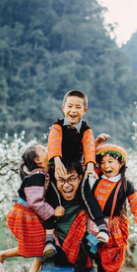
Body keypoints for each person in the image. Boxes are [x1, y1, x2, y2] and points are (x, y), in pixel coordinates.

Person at [0, 144, 64, 272]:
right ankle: (3, 256)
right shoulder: (37, 176)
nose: (48, 150)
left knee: (45, 243)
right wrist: (52, 212)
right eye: (44, 150)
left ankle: (28, 271)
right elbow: (35, 202)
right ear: (37, 159)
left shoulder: (43, 174)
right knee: (45, 243)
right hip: (23, 214)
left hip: (25, 213)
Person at [47, 89, 109, 243]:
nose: (73, 110)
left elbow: (88, 148)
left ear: (84, 110)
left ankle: (102, 227)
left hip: (76, 169)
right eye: (70, 106)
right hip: (58, 167)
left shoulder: (86, 129)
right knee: (51, 195)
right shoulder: (58, 125)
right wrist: (57, 161)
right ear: (63, 108)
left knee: (86, 193)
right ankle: (49, 236)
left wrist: (89, 166)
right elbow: (54, 142)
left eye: (78, 107)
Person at [92, 143, 137, 272]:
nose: (106, 166)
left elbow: (136, 205)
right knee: (88, 252)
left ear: (121, 164)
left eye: (110, 162)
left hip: (112, 227)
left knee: (105, 254)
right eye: (102, 162)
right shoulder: (95, 179)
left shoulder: (126, 185)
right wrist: (97, 143)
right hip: (92, 223)